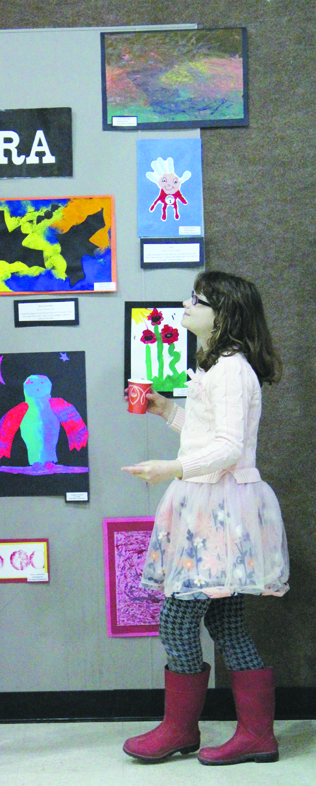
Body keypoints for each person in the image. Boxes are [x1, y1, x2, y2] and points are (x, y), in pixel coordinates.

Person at [121, 271, 289, 767]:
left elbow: (229, 448)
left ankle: (180, 728)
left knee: (178, 620)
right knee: (224, 622)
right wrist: (166, 410)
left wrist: (169, 468)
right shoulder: (220, 368)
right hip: (211, 506)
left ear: (225, 314)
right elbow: (205, 433)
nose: (185, 305)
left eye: (198, 300)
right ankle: (254, 735)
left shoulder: (232, 370)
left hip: (219, 509)